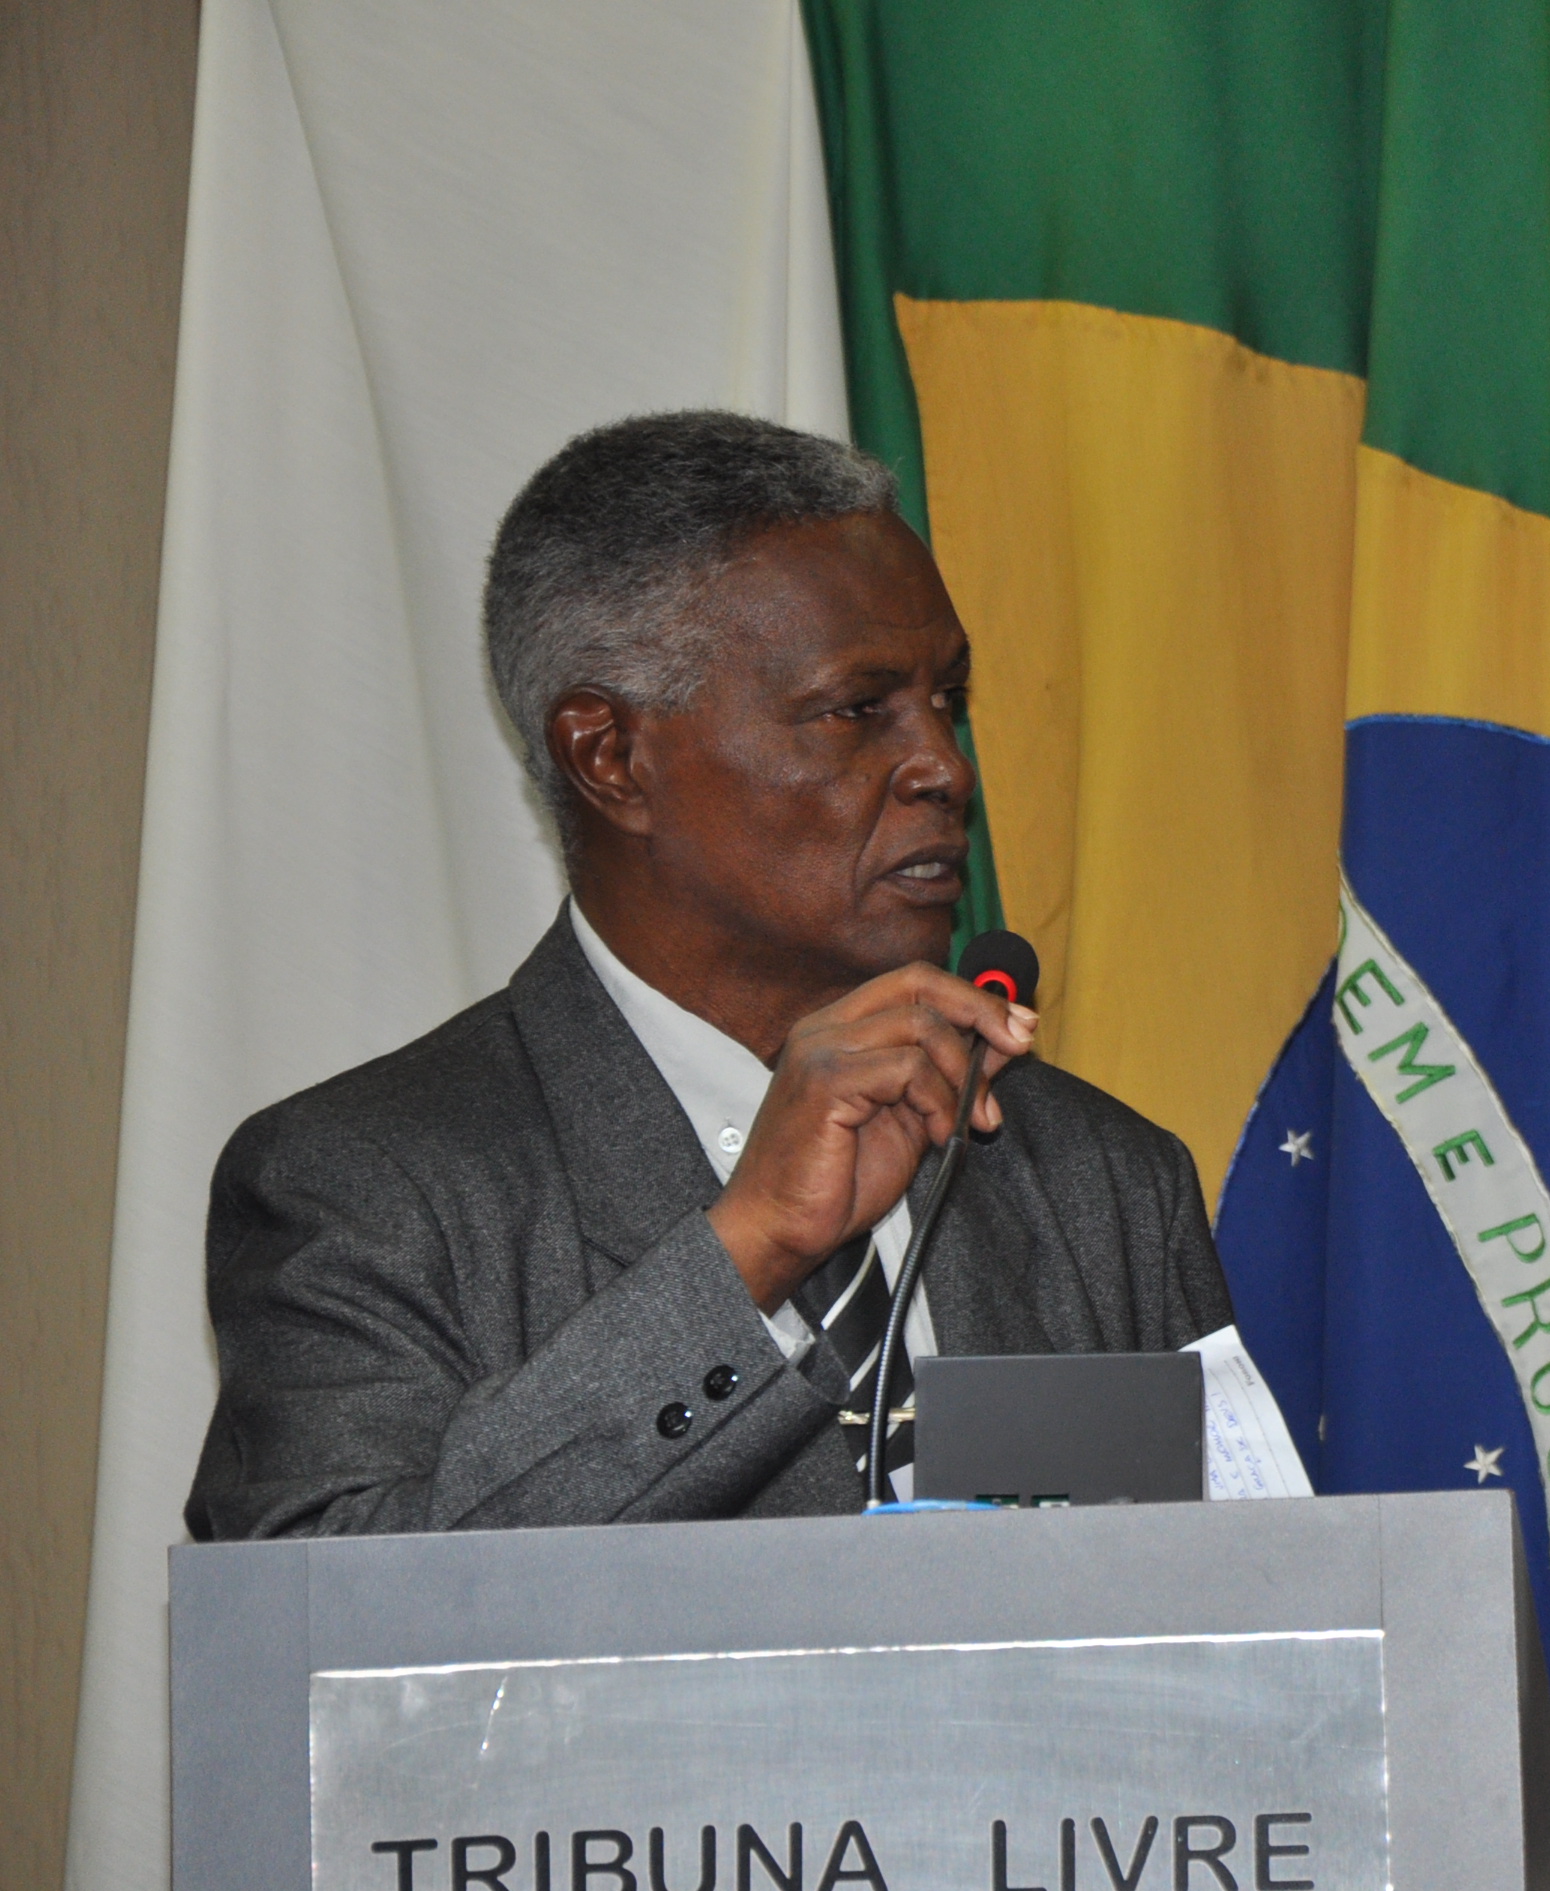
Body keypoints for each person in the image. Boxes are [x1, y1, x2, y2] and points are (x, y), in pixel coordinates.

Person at [187, 412, 1232, 1537]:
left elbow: (1231, 1632)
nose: (944, 766)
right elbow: (328, 1647)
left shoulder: (1104, 1182)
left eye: (948, 702)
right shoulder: (365, 1189)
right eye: (857, 710)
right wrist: (751, 1251)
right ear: (611, 758)